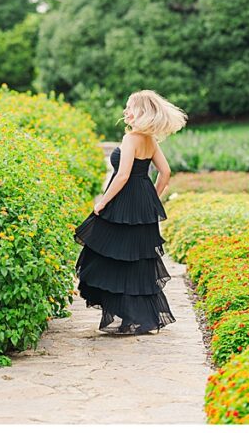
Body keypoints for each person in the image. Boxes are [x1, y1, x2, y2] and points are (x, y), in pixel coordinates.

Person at [73, 89, 187, 335]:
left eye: (129, 107)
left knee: (111, 254)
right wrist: (152, 198)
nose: (125, 111)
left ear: (141, 112)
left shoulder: (131, 139)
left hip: (124, 204)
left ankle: (126, 316)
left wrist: (102, 202)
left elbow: (123, 175)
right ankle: (133, 318)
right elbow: (165, 173)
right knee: (137, 259)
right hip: (143, 204)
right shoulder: (149, 139)